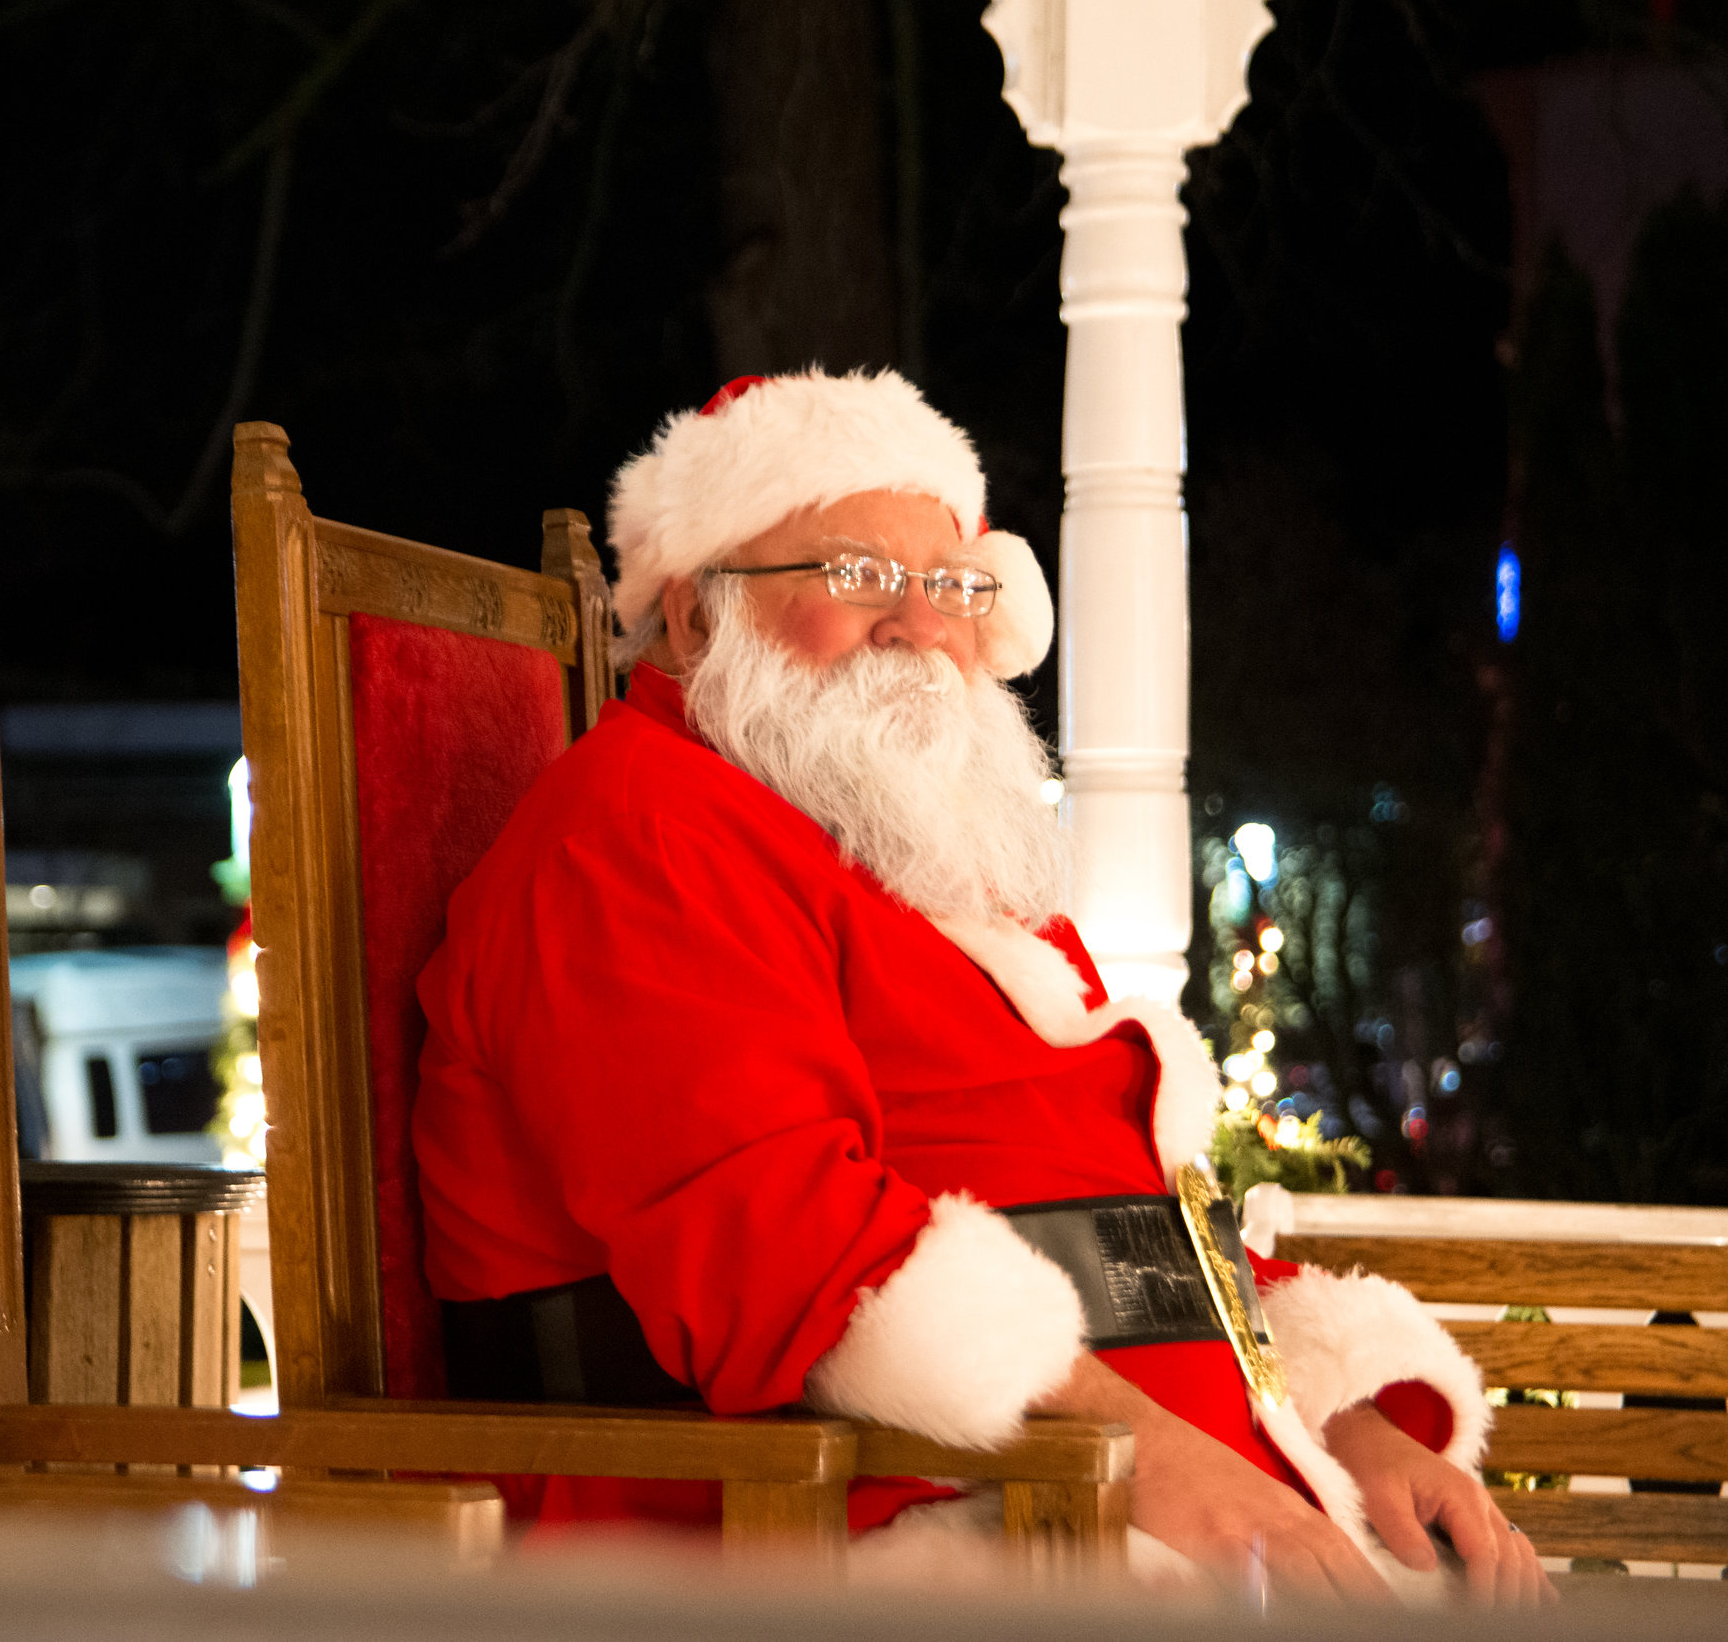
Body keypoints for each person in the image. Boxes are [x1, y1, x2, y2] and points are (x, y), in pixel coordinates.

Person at [411, 369, 1550, 1601]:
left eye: (951, 584)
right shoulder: (638, 830)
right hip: (812, 1529)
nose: (918, 624)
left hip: (1093, 1491)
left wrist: (1340, 1419)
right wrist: (1163, 1468)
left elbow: (1129, 1215)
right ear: (692, 620)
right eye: (852, 576)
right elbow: (785, 1250)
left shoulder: (922, 850)